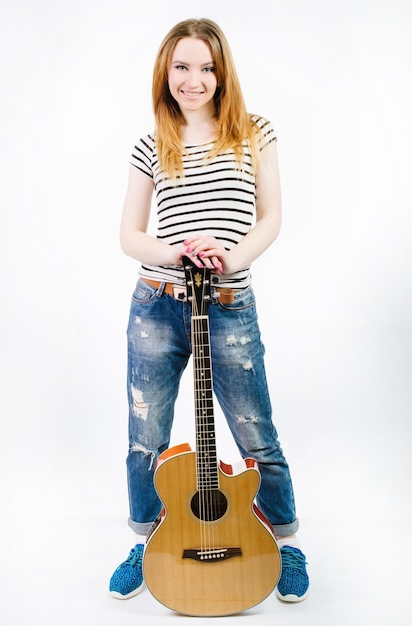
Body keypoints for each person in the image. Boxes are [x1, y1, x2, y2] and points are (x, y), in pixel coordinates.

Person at [109, 17, 309, 605]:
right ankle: (150, 541)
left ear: (221, 73)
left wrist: (229, 256)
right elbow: (128, 235)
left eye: (205, 67)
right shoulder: (151, 145)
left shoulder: (253, 132)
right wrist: (177, 251)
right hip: (157, 302)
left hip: (226, 300)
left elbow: (270, 218)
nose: (193, 79)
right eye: (181, 67)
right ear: (165, 72)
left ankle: (284, 541)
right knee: (145, 435)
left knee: (254, 429)